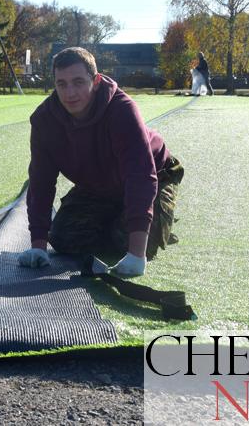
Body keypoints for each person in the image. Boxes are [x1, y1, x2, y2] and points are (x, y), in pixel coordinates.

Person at [19, 47, 184, 277]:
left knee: (128, 239)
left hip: (156, 173)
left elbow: (141, 176)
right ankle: (119, 215)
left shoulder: (122, 110)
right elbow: (41, 182)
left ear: (95, 81)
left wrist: (137, 254)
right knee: (64, 237)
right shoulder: (44, 121)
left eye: (78, 82)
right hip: (97, 184)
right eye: (61, 84)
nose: (70, 93)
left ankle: (156, 218)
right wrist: (38, 246)